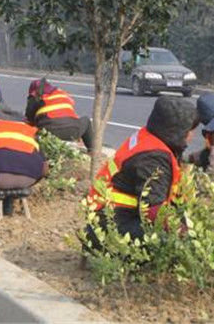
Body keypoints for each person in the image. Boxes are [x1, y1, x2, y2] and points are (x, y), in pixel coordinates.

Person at [84, 96, 199, 244]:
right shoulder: (153, 158)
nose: (192, 135)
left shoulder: (148, 137)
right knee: (170, 240)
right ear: (176, 131)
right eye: (189, 130)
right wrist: (186, 231)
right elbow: (153, 211)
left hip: (106, 217)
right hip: (111, 226)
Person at [25, 78, 94, 152]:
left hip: (50, 132)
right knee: (86, 120)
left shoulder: (37, 96)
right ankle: (92, 151)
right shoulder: (61, 93)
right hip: (74, 131)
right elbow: (70, 109)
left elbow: (29, 117)